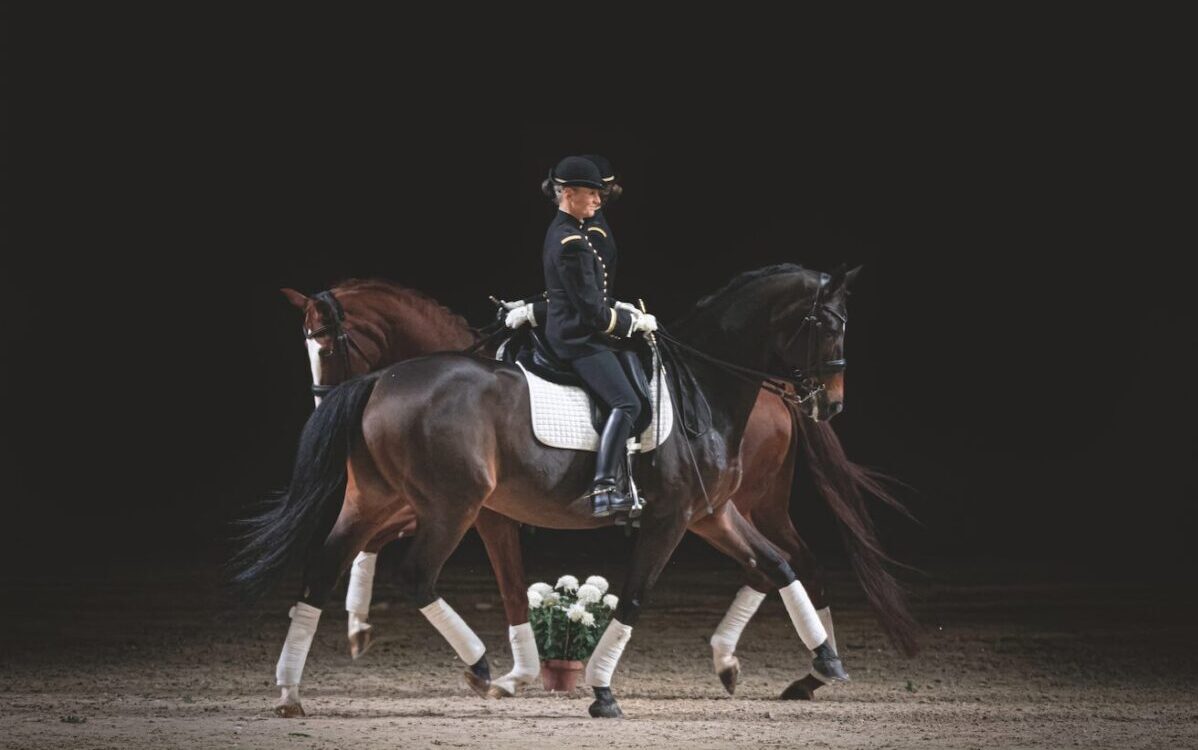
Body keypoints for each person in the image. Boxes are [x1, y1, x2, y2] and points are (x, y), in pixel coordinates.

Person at [535, 155, 656, 517]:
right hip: (578, 338)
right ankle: (603, 487)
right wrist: (632, 324)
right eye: (592, 194)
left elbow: (592, 294)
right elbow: (593, 312)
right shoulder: (570, 241)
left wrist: (622, 309)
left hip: (582, 331)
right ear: (569, 193)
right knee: (627, 403)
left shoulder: (575, 231)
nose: (598, 201)